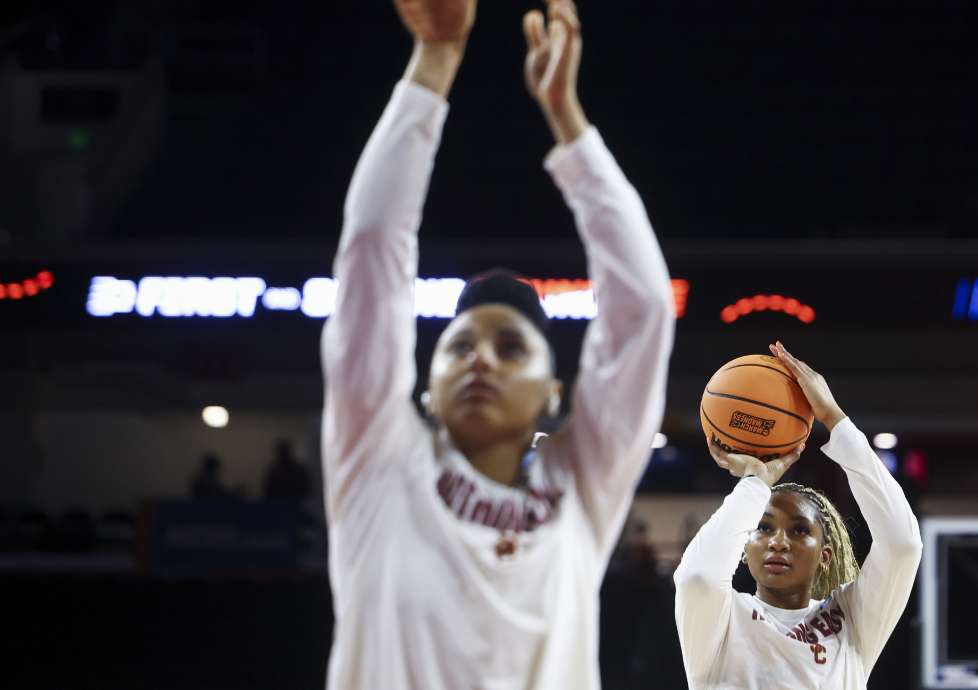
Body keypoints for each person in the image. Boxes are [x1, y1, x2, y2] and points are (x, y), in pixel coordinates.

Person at [319, 0, 675, 687]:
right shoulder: (379, 460)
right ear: (424, 386)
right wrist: (436, 61)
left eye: (511, 349)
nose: (479, 357)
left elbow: (645, 309)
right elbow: (372, 249)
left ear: (553, 393)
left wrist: (569, 125)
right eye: (456, 348)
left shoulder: (583, 488)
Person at [674, 341, 922, 690]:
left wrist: (835, 419)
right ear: (744, 549)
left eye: (799, 530)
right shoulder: (724, 621)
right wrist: (754, 484)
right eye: (763, 528)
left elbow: (903, 544)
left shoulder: (852, 623)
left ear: (825, 556)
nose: (778, 541)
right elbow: (697, 577)